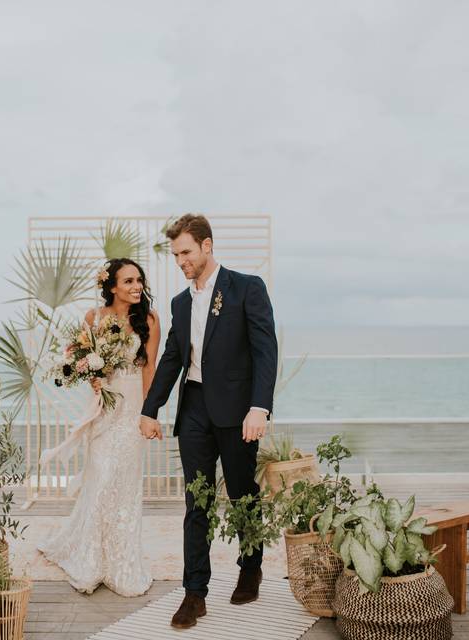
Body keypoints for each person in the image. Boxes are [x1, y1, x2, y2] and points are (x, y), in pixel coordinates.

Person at [140, 214, 278, 629]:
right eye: (176, 254)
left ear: (207, 245)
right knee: (195, 501)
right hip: (195, 409)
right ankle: (194, 594)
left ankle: (250, 567)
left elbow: (264, 350)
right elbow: (171, 359)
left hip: (238, 412)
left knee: (242, 494)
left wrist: (260, 407)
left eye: (186, 251)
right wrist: (150, 408)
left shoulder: (246, 288)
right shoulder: (180, 303)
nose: (181, 260)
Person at [38, 257, 159, 596]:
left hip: (133, 406)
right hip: (105, 408)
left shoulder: (149, 319)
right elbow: (77, 357)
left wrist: (150, 413)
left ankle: (120, 561)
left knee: (125, 482)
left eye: (139, 280)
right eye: (129, 281)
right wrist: (92, 375)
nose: (136, 286)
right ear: (112, 287)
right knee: (102, 477)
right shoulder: (94, 318)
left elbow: (150, 369)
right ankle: (90, 558)